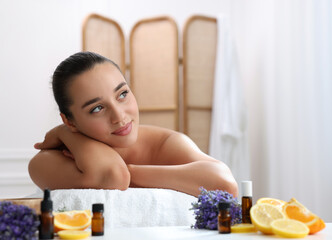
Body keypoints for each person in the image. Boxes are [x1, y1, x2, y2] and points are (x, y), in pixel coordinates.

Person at [28, 52, 238, 197]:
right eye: (97, 109)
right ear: (69, 120)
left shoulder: (165, 142)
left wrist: (132, 172)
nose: (119, 116)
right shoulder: (48, 161)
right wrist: (67, 134)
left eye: (122, 94)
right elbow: (114, 177)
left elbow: (225, 185)